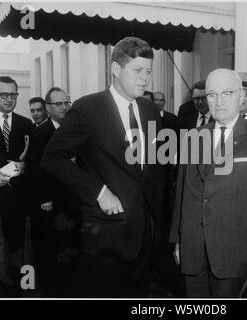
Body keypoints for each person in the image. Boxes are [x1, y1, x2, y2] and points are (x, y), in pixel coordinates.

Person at [42, 37, 165, 298]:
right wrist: (98, 191)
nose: (145, 78)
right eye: (138, 70)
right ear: (116, 69)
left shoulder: (151, 110)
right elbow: (52, 158)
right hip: (105, 236)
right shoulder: (88, 108)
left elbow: (153, 168)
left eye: (149, 71)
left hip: (144, 235)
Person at [169, 68, 247, 298]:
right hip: (194, 250)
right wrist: (178, 240)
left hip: (235, 252)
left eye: (226, 93)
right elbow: (183, 193)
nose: (218, 102)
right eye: (212, 95)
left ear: (241, 96)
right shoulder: (193, 136)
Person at [26, 87, 80, 297]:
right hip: (49, 202)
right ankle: (50, 290)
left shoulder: (74, 130)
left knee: (70, 245)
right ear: (48, 108)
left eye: (66, 102)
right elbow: (35, 170)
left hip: (71, 200)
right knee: (48, 248)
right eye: (59, 104)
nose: (64, 107)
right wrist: (46, 198)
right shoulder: (39, 133)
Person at [0, 76, 32, 296]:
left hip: (16, 197)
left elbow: (33, 160)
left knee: (16, 243)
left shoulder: (25, 124)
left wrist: (24, 165)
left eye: (13, 95)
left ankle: (17, 286)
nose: (9, 99)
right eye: (3, 94)